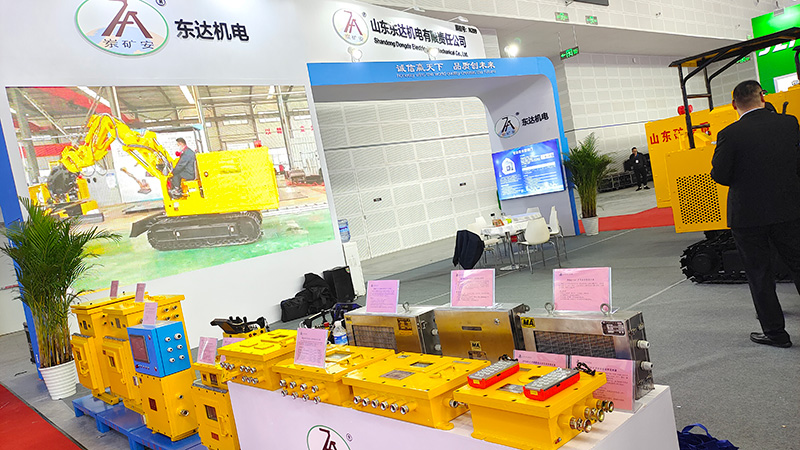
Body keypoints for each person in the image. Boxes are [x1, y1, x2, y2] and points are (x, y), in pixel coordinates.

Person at [710, 79, 800, 349]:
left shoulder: (729, 133)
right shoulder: (789, 123)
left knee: (760, 274)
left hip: (748, 216)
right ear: (763, 97)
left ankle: (775, 333)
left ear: (734, 104)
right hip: (789, 209)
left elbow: (720, 175)